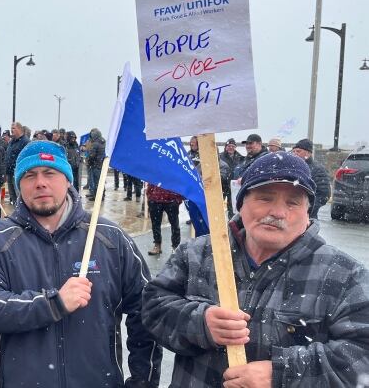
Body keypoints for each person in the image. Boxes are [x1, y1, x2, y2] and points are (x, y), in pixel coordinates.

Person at [142, 151, 369, 387]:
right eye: (265, 198)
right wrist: (200, 323)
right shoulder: (196, 254)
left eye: (293, 202)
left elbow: (362, 356)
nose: (278, 212)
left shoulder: (343, 275)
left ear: (307, 213)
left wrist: (284, 373)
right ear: (242, 203)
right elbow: (152, 307)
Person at [0, 140, 162, 387]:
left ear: (67, 179)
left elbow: (146, 313)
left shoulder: (109, 237)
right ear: (18, 184)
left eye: (50, 173)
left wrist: (143, 382)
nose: (40, 182)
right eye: (29, 175)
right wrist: (53, 304)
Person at [291, 138, 331, 219]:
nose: (295, 154)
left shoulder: (318, 170)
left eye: (298, 151)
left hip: (307, 216)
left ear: (308, 153)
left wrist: (307, 208)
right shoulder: (291, 167)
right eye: (294, 151)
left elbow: (324, 194)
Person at [146, 184, 183, 256]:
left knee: (175, 224)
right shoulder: (156, 172)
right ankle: (157, 245)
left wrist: (178, 199)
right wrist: (150, 195)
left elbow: (179, 181)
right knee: (155, 224)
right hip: (155, 198)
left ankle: (176, 246)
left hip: (171, 199)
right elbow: (150, 180)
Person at [4, 122, 29, 205]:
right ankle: (16, 213)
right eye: (11, 128)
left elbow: (26, 158)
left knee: (19, 195)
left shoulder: (25, 141)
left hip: (18, 172)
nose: (11, 130)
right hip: (10, 172)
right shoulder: (12, 141)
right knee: (12, 195)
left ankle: (22, 214)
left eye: (13, 128)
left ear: (19, 129)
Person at [219, 138, 245, 217]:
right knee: (218, 205)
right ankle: (217, 222)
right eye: (229, 146)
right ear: (225, 147)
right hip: (221, 185)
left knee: (232, 207)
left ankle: (231, 223)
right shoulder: (219, 156)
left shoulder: (240, 157)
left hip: (233, 186)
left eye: (233, 146)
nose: (231, 148)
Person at [85, 128, 106, 201]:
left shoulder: (95, 144)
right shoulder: (103, 142)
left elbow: (92, 155)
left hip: (95, 164)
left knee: (96, 181)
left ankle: (97, 196)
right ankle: (101, 195)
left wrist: (88, 160)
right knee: (100, 181)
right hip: (100, 163)